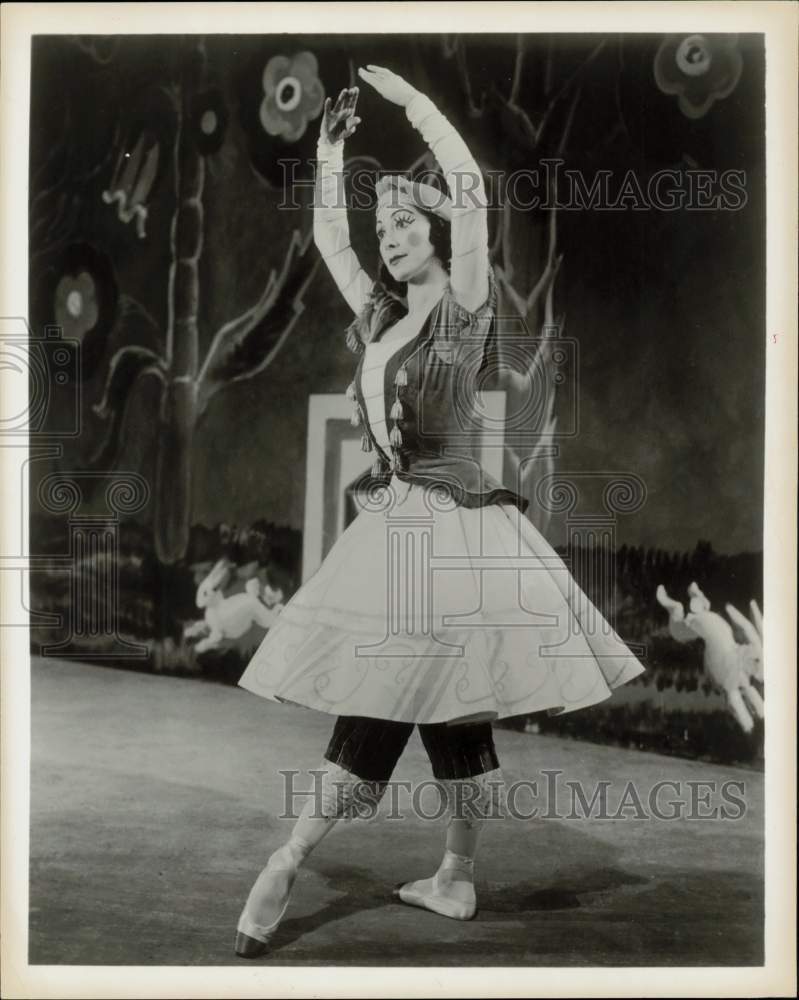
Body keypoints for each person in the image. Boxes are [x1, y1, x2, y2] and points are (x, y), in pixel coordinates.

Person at [234, 65, 645, 957]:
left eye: (405, 224)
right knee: (449, 709)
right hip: (397, 530)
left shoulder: (460, 311)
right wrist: (333, 145)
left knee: (395, 699)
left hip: (453, 532)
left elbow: (471, 192)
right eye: (382, 228)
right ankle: (454, 874)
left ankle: (293, 853)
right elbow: (327, 241)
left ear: (439, 234)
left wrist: (414, 107)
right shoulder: (379, 318)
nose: (386, 239)